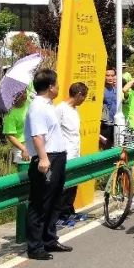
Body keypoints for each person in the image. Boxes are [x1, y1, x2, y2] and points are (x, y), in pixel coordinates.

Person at [24, 69, 72, 260]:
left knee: (54, 201)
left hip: (57, 157)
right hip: (47, 158)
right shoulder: (38, 107)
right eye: (57, 84)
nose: (59, 87)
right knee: (40, 203)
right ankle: (35, 247)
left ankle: (49, 239)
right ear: (51, 87)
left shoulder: (48, 105)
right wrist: (43, 159)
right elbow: (37, 135)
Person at [56, 82, 88, 225]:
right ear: (79, 94)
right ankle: (60, 215)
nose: (84, 100)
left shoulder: (74, 109)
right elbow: (53, 131)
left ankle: (69, 211)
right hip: (65, 153)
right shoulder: (61, 109)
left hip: (75, 152)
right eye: (84, 96)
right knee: (64, 186)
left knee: (73, 185)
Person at [4, 90, 30, 163]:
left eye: (24, 92)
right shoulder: (10, 114)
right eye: (20, 94)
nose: (23, 95)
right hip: (20, 146)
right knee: (24, 169)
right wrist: (24, 149)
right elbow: (10, 135)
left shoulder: (30, 104)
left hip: (33, 141)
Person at [100, 67, 118, 149]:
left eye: (112, 75)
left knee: (114, 145)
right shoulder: (100, 90)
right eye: (107, 75)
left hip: (115, 122)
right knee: (104, 147)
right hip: (105, 124)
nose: (110, 78)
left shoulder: (115, 89)